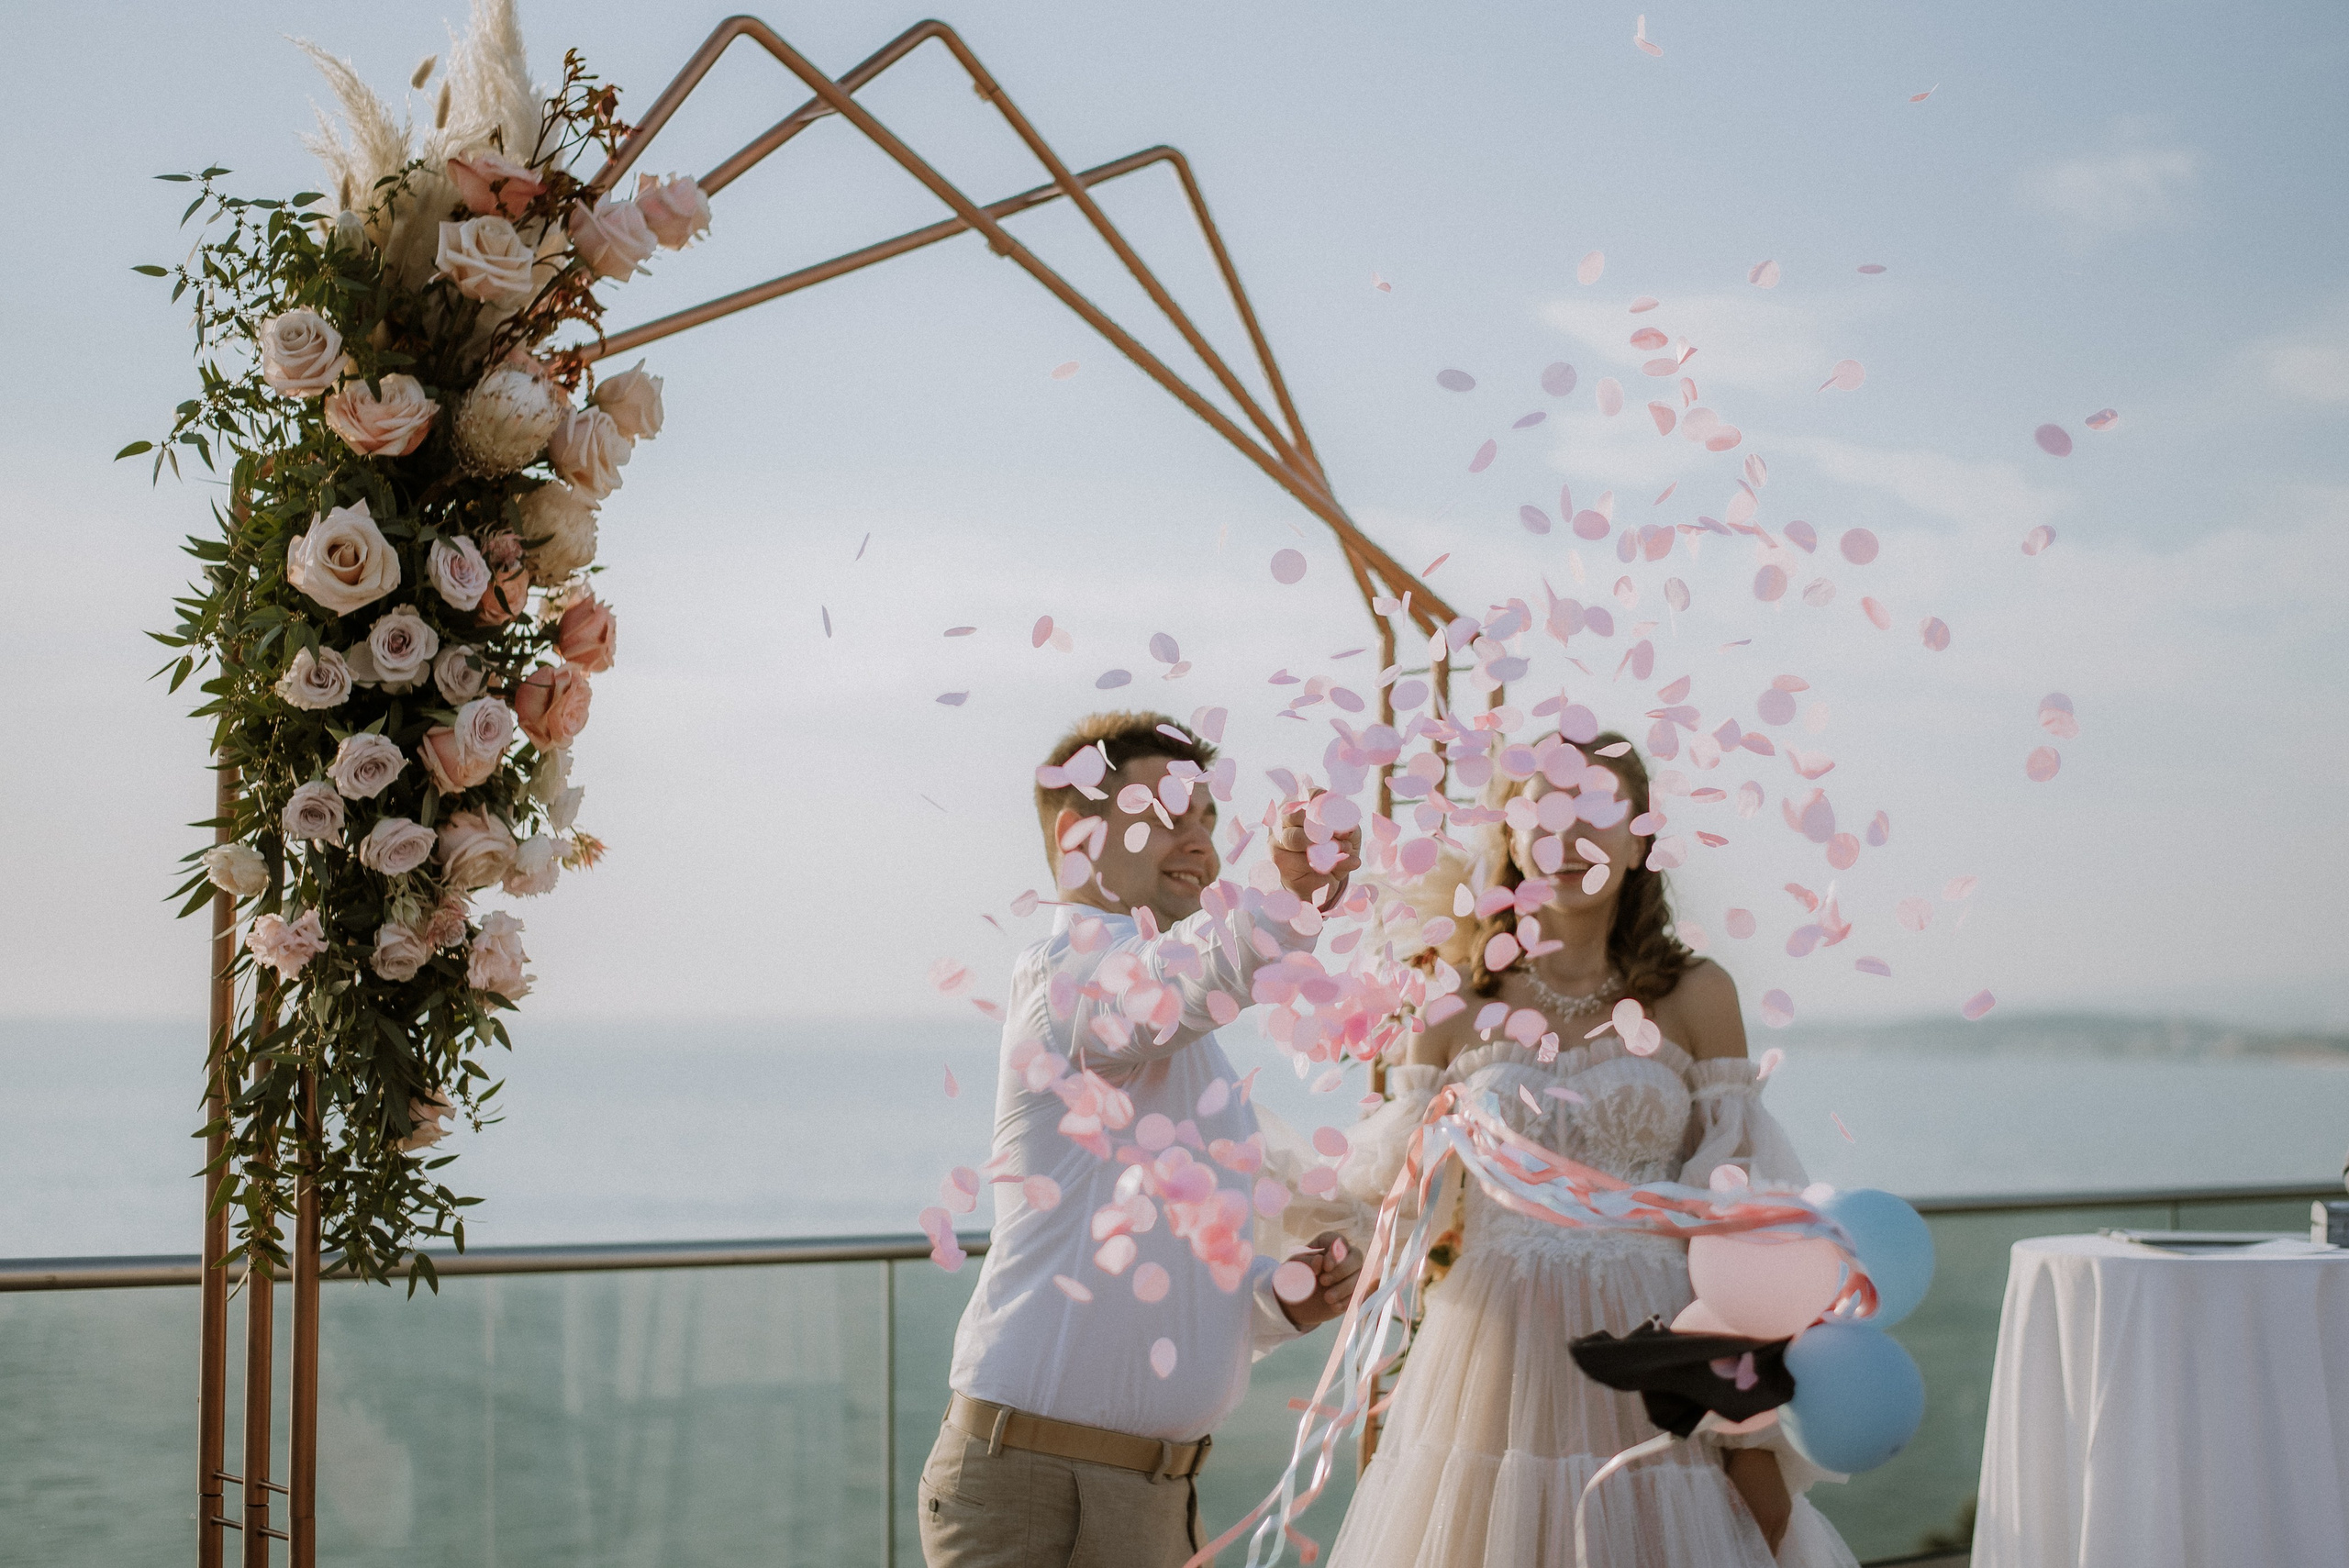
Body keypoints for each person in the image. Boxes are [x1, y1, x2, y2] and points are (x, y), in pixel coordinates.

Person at [1318, 730, 1859, 1568]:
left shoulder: (1697, 994)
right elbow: (1391, 1189)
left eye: (1595, 810)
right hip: (1494, 1351)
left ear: (1640, 834)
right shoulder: (1451, 1001)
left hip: (1656, 1344)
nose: (1566, 837)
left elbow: (1737, 1200)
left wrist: (1743, 1365)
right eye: (1542, 810)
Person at [919, 710, 1368, 1568]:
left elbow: (1175, 1280)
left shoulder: (1183, 1043)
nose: (1199, 839)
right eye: (1167, 812)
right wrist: (1288, 900)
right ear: (1078, 831)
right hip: (1036, 1490)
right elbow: (1184, 980)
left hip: (1157, 1498)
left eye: (1207, 818)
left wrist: (1280, 1299)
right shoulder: (1068, 978)